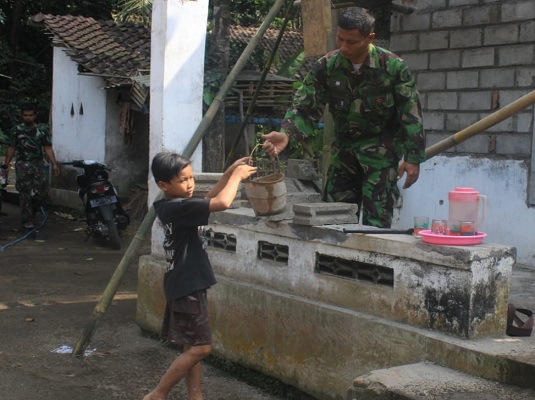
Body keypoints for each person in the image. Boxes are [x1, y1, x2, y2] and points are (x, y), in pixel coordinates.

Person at [261, 7, 425, 228]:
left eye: (352, 42)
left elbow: (410, 113)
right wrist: (287, 133)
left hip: (381, 155)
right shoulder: (327, 66)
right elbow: (305, 106)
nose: (344, 47)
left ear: (370, 38)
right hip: (343, 153)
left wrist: (413, 157)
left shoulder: (393, 67)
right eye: (340, 39)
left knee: (375, 224)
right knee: (333, 219)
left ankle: (369, 263)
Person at [144, 152, 256, 400]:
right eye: (184, 180)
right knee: (201, 348)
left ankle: (196, 395)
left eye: (192, 177)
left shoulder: (171, 206)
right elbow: (222, 203)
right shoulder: (180, 208)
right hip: (187, 285)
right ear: (164, 185)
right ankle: (157, 394)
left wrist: (228, 172)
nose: (190, 184)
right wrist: (237, 176)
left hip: (183, 283)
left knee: (190, 345)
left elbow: (207, 198)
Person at [3, 104, 60, 240]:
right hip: (23, 164)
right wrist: (6, 163)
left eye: (30, 115)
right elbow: (12, 147)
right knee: (24, 192)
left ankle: (35, 212)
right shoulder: (16, 130)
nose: (28, 117)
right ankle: (26, 220)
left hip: (38, 164)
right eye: (25, 115)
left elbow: (47, 147)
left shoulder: (42, 130)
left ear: (35, 116)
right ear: (22, 116)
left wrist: (54, 164)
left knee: (42, 191)